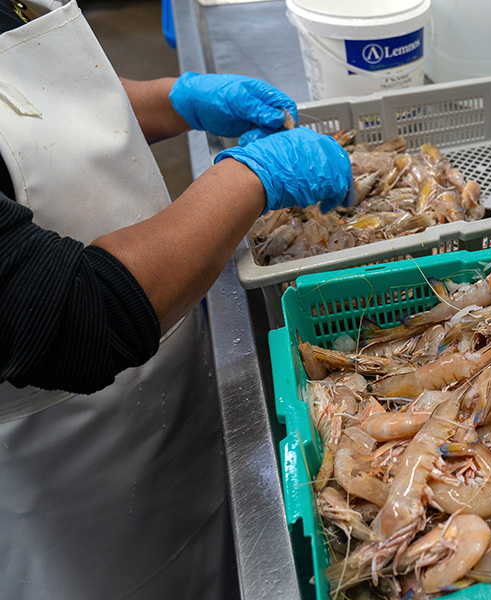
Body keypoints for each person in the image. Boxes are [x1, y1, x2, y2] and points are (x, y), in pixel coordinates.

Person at [0, 0, 352, 598]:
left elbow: (35, 113)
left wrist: (175, 100)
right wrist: (250, 177)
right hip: (67, 477)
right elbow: (75, 314)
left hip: (160, 394)